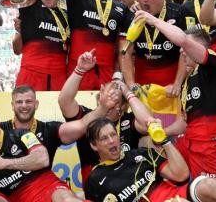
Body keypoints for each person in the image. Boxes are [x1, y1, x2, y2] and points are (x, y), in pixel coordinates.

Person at [136, 10, 216, 183]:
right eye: (181, 49)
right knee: (146, 143)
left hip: (209, 142)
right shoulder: (188, 81)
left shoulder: (214, 64)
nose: (182, 52)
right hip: (188, 140)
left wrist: (153, 20)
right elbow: (183, 122)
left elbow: (182, 40)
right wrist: (162, 135)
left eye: (186, 49)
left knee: (210, 194)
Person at [83, 118, 216, 202]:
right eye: (104, 138)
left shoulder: (142, 154)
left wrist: (164, 141)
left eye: (113, 134)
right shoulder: (95, 179)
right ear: (94, 145)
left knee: (208, 185)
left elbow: (181, 175)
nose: (112, 141)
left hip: (175, 195)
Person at [59, 49, 158, 186]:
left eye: (115, 100)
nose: (109, 102)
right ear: (99, 97)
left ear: (123, 107)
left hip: (129, 178)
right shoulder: (88, 117)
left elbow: (149, 122)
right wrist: (79, 70)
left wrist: (127, 93)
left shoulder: (127, 121)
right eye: (106, 96)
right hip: (98, 182)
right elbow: (64, 102)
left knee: (151, 142)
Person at [56, 0, 134, 90]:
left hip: (106, 73)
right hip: (78, 68)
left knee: (105, 109)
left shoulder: (122, 9)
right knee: (75, 109)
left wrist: (117, 75)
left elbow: (123, 50)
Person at [120, 0, 187, 97]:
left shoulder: (179, 12)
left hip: (171, 86)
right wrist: (130, 84)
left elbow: (185, 50)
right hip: (142, 85)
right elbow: (126, 53)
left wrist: (177, 84)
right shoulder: (132, 15)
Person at [12, 0, 69, 91]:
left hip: (59, 76)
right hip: (31, 73)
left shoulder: (67, 15)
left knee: (58, 110)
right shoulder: (31, 6)